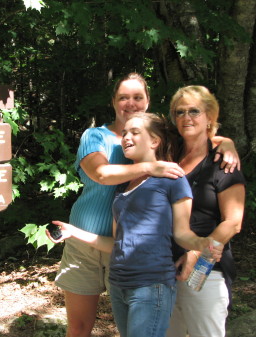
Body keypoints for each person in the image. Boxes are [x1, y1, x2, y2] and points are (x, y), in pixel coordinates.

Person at [54, 73, 238, 337]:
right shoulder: (97, 138)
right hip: (97, 245)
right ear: (113, 102)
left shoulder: (157, 139)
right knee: (80, 327)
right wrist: (150, 167)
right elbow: (102, 174)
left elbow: (198, 133)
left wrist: (226, 143)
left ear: (148, 101)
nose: (130, 103)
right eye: (123, 97)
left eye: (137, 97)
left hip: (146, 268)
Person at [166, 86, 246, 337]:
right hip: (162, 267)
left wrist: (196, 252)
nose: (186, 117)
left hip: (205, 268)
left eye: (194, 111)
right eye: (179, 112)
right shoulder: (169, 153)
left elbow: (233, 222)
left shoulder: (222, 163)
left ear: (209, 117)